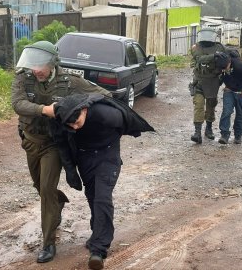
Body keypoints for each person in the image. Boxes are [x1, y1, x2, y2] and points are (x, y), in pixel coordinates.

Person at [11, 40, 111, 263]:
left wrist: (83, 109)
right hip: (30, 141)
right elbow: (17, 103)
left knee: (46, 189)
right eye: (33, 65)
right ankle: (58, 202)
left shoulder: (69, 82)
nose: (36, 70)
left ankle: (48, 243)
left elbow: (103, 94)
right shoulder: (23, 77)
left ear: (53, 63)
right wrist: (44, 110)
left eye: (41, 66)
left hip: (53, 144)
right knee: (40, 186)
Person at [50, 93, 155, 270]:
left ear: (84, 111)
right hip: (85, 157)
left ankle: (98, 250)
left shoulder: (106, 114)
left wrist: (109, 143)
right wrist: (70, 171)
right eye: (71, 125)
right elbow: (62, 145)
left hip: (107, 155)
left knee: (102, 198)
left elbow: (124, 123)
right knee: (92, 196)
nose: (75, 127)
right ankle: (97, 234)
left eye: (78, 122)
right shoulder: (60, 120)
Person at [189, 27, 226, 144]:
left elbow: (226, 60)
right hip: (199, 82)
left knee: (211, 106)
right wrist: (214, 56)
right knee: (198, 106)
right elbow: (198, 59)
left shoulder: (220, 47)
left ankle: (208, 129)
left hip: (213, 83)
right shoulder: (196, 48)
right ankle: (197, 132)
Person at [214, 51, 242, 144]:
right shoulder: (220, 66)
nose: (224, 70)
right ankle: (224, 134)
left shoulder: (240, 65)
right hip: (229, 90)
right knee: (226, 111)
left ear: (229, 62)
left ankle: (238, 135)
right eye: (222, 69)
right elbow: (218, 80)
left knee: (240, 113)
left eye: (225, 68)